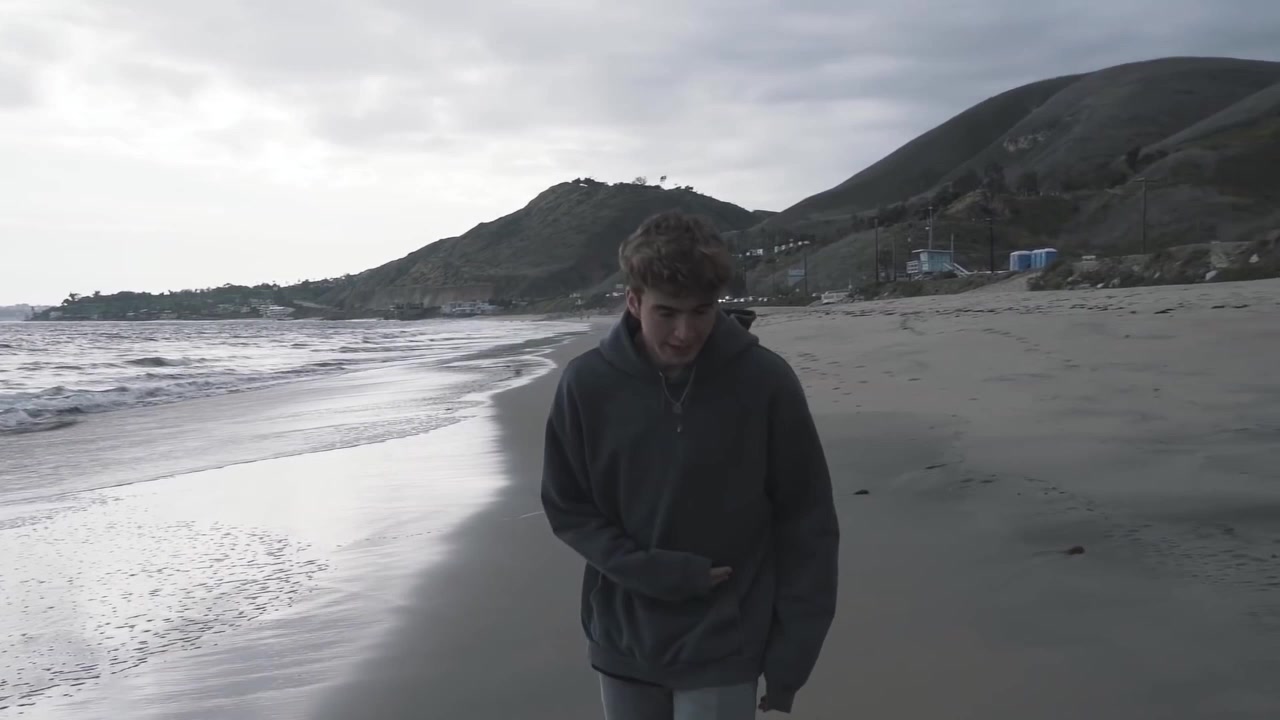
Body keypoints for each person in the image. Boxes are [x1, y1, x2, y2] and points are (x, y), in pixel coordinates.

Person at [540, 210, 840, 718]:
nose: (684, 332)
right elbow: (568, 508)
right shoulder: (587, 385)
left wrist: (793, 655)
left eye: (702, 312)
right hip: (624, 638)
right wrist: (651, 571)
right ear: (634, 301)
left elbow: (807, 523)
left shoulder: (764, 381)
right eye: (667, 313)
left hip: (726, 642)